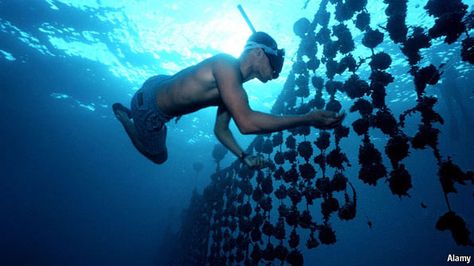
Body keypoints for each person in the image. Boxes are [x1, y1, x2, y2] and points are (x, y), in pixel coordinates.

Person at [113, 32, 345, 169]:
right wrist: (307, 118)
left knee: (180, 86)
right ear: (257, 53)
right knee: (160, 157)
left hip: (156, 84)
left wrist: (243, 156)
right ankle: (125, 118)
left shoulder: (232, 87)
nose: (276, 72)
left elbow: (221, 129)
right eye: (274, 63)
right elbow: (247, 124)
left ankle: (153, 106)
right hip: (149, 109)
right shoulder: (227, 65)